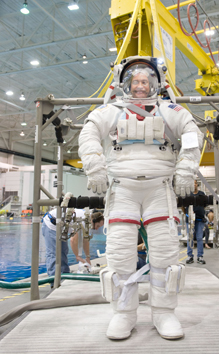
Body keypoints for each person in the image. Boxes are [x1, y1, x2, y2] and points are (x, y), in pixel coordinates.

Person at [79, 56, 203, 340]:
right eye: (134, 81)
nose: (139, 86)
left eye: (145, 81)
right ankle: (124, 314)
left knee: (164, 251)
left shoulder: (171, 110)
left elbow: (192, 135)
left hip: (160, 188)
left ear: (156, 83)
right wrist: (95, 167)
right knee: (120, 253)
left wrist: (185, 170)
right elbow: (88, 135)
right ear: (125, 83)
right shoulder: (110, 111)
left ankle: (164, 312)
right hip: (122, 188)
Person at [42, 208, 71, 277]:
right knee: (53, 253)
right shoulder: (83, 218)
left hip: (61, 226)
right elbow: (74, 240)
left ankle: (65, 275)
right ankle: (53, 280)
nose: (97, 228)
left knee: (63, 251)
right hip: (51, 224)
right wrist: (79, 257)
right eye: (97, 226)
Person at [185, 180, 206, 265]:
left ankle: (200, 256)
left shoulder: (201, 194)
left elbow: (204, 205)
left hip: (200, 220)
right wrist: (187, 215)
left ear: (197, 185)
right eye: (192, 183)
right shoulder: (187, 195)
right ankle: (190, 256)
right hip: (189, 220)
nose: (194, 185)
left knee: (199, 237)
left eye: (195, 183)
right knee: (190, 238)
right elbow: (183, 206)